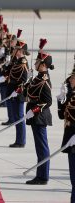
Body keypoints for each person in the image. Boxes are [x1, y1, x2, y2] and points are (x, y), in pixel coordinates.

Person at [24, 39, 53, 185]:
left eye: (36, 62)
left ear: (42, 65)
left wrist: (34, 111)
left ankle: (43, 176)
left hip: (40, 117)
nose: (34, 63)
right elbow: (29, 92)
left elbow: (48, 102)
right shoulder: (38, 78)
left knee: (42, 147)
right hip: (35, 116)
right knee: (39, 147)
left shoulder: (44, 81)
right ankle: (41, 174)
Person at [57, 60, 75, 201]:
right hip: (70, 137)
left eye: (74, 78)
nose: (71, 80)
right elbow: (61, 115)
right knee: (73, 178)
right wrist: (61, 99)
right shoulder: (72, 96)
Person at [6, 39, 29, 148]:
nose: (14, 50)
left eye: (16, 49)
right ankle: (18, 140)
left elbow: (24, 81)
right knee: (16, 117)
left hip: (18, 95)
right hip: (14, 93)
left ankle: (21, 141)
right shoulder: (17, 61)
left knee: (19, 117)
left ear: (20, 51)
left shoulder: (23, 63)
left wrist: (17, 91)